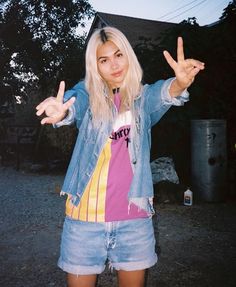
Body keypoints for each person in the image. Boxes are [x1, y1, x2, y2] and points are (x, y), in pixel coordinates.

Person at [36, 26, 204, 287]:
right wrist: (62, 111)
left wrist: (180, 83)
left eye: (118, 55)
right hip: (84, 220)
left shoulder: (142, 98)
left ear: (128, 55)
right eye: (103, 60)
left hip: (134, 222)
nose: (113, 65)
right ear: (96, 66)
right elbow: (74, 102)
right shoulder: (88, 95)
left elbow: (164, 93)